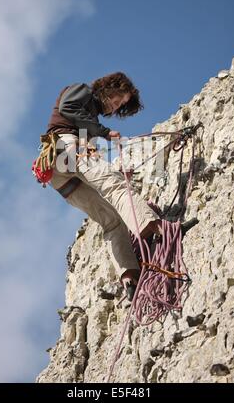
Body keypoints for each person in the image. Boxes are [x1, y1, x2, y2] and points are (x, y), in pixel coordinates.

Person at [46, 72, 163, 300]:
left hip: (59, 172)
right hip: (66, 147)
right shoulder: (83, 90)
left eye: (120, 106)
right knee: (115, 186)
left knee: (111, 219)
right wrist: (104, 132)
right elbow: (68, 107)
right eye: (117, 100)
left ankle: (129, 275)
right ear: (108, 88)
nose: (114, 108)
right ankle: (153, 228)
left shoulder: (87, 120)